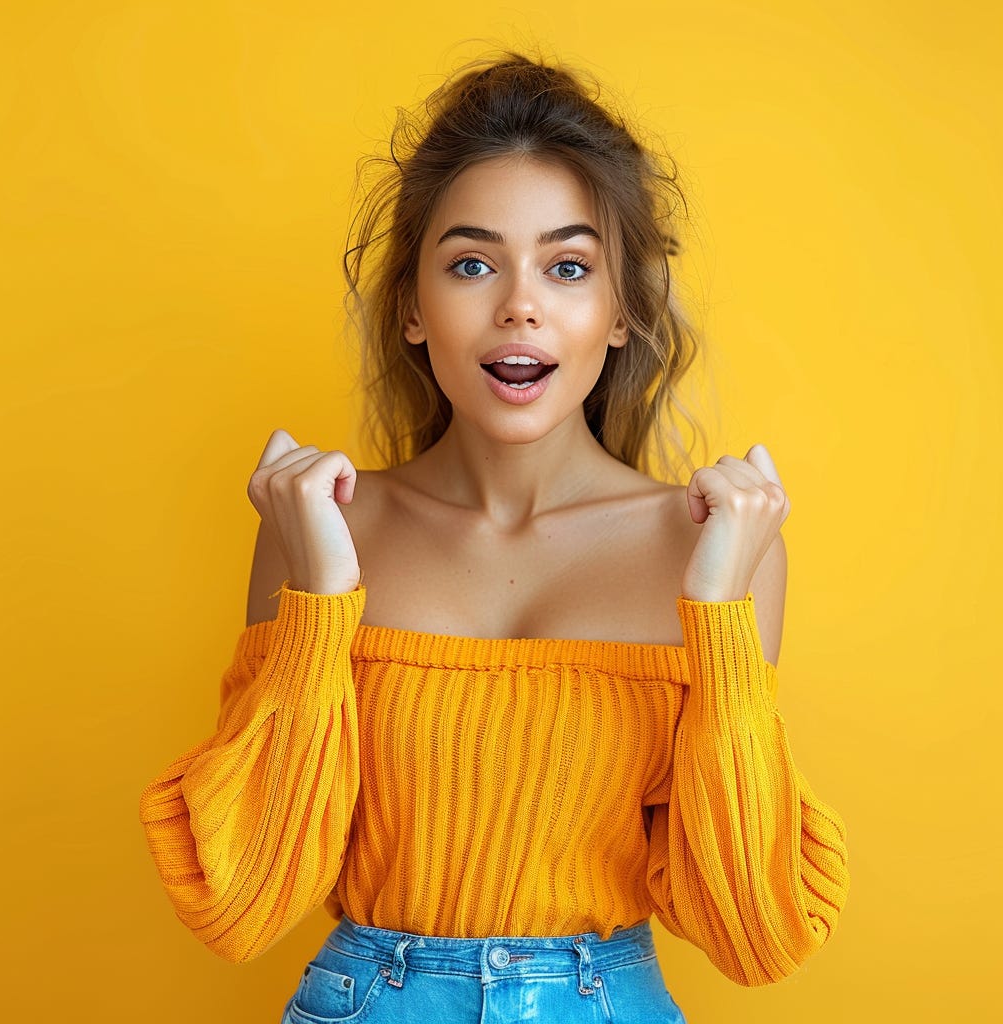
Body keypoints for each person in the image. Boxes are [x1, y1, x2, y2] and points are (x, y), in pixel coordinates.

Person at [139, 52, 849, 1023]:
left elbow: (753, 931)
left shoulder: (721, 547)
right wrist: (322, 601)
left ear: (618, 314)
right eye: (472, 263)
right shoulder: (321, 528)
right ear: (412, 311)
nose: (518, 303)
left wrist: (717, 615)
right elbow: (243, 900)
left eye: (567, 267)